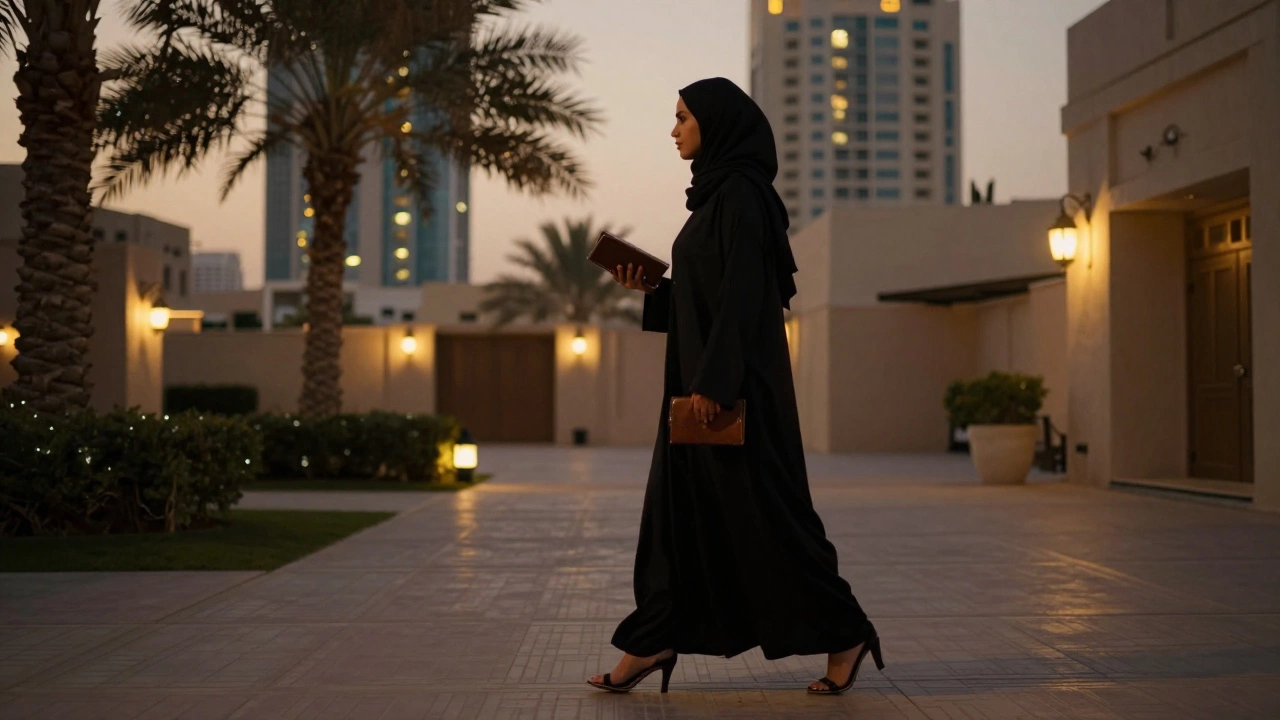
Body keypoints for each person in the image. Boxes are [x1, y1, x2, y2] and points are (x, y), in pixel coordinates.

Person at [586, 77, 883, 696]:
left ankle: (846, 632)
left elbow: (748, 298)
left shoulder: (744, 197)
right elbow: (711, 297)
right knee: (677, 519)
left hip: (730, 394)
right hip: (700, 388)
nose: (674, 130)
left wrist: (716, 382)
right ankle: (652, 640)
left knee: (767, 521)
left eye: (682, 118)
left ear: (715, 124)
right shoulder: (718, 199)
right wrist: (656, 292)